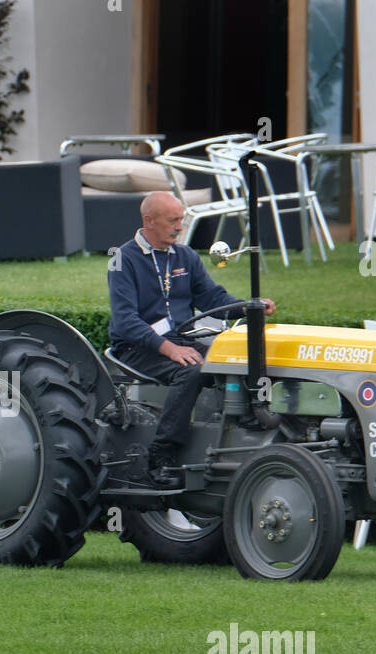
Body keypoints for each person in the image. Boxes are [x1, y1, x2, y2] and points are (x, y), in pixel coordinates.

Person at [108, 191, 276, 487]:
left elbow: (213, 298)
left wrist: (250, 307)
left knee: (233, 360)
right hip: (136, 347)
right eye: (172, 220)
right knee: (192, 370)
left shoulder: (186, 256)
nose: (179, 226)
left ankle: (247, 433)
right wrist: (168, 348)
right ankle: (161, 454)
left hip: (180, 340)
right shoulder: (122, 259)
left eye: (181, 220)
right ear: (149, 221)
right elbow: (126, 321)